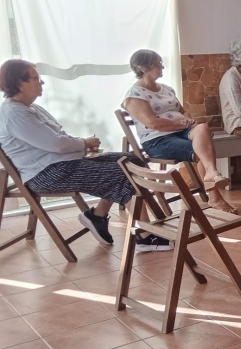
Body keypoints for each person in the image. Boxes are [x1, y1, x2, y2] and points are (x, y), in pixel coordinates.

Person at [0, 60, 156, 250]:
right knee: (123, 173)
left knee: (130, 160)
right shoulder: (14, 113)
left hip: (62, 163)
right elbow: (55, 143)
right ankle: (145, 237)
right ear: (19, 83)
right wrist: (83, 144)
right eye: (36, 79)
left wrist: (83, 145)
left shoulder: (29, 107)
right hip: (47, 173)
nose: (41, 83)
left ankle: (97, 216)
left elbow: (57, 138)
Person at [122, 49, 237, 214]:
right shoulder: (134, 96)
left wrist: (189, 120)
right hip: (158, 140)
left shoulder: (166, 89)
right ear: (143, 68)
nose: (162, 66)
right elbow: (153, 123)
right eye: (157, 63)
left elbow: (182, 111)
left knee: (202, 127)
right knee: (202, 152)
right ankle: (214, 195)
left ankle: (211, 173)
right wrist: (182, 124)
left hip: (180, 131)